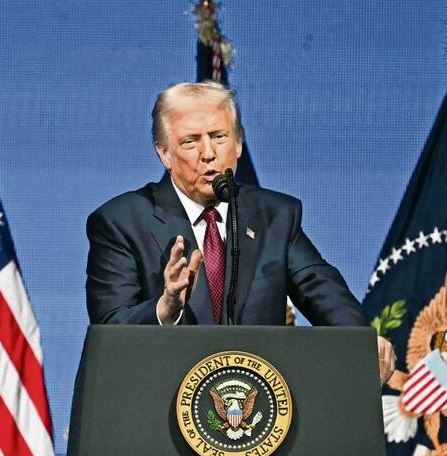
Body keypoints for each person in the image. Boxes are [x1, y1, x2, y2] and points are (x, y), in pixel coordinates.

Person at [85, 81, 395, 383]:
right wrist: (165, 309)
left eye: (219, 137)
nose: (208, 153)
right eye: (191, 141)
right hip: (161, 405)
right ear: (164, 153)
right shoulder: (121, 222)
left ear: (238, 144)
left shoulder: (274, 215)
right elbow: (110, 329)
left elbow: (323, 291)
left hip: (259, 409)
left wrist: (361, 340)